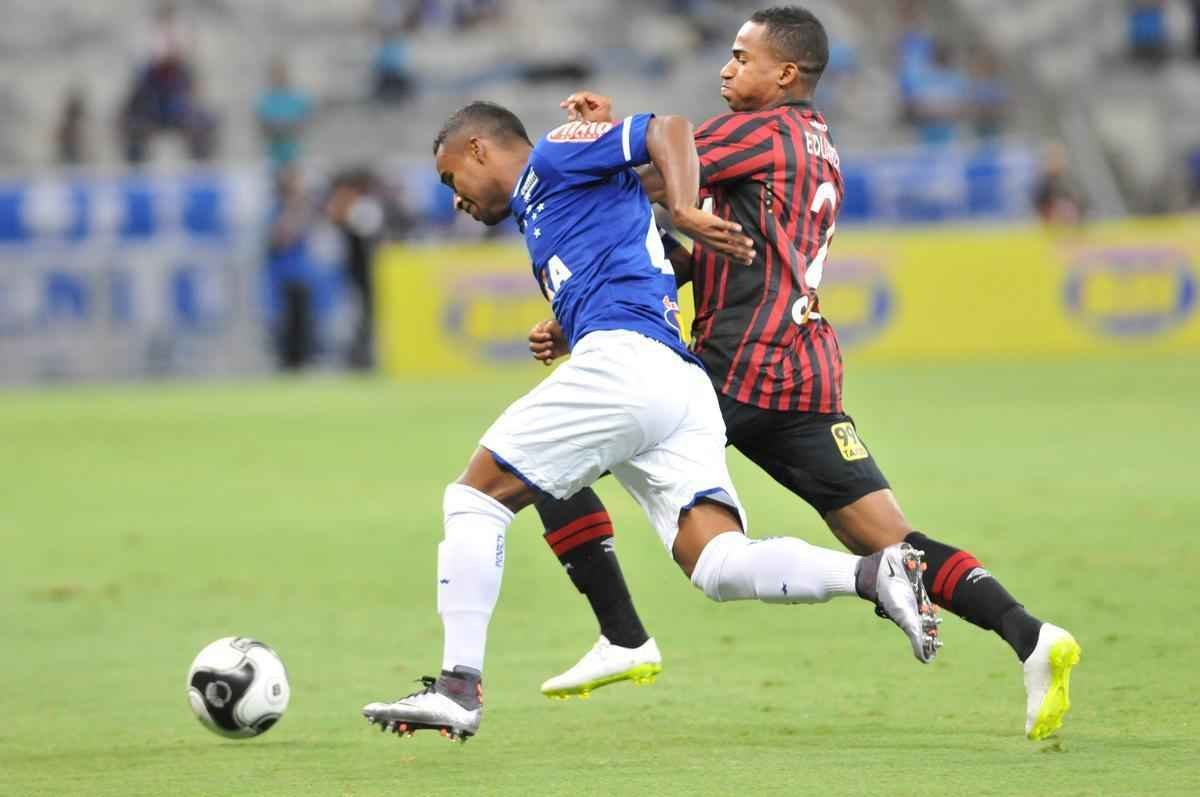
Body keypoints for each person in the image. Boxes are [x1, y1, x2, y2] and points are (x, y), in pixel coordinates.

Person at [529, 5, 1080, 742]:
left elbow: (654, 176)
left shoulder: (758, 131)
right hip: (804, 374)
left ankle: (621, 635)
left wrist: (599, 134)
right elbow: (711, 247)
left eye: (741, 57)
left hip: (734, 369)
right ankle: (1032, 636)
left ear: (785, 73)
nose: (727, 69)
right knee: (893, 541)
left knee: (543, 458)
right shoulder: (819, 146)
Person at [360, 100, 940, 741]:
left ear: (478, 149)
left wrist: (687, 209)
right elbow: (641, 239)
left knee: (474, 499)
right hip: (677, 386)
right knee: (717, 563)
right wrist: (568, 321)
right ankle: (870, 573)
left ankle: (458, 687)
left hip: (628, 365)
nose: (456, 200)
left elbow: (667, 130)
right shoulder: (546, 204)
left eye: (451, 180)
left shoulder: (552, 156)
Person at [325, 168, 385, 369]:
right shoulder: (350, 208)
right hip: (352, 275)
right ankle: (356, 359)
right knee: (354, 319)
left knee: (362, 319)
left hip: (362, 276)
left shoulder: (361, 208)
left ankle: (361, 359)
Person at [256, 58, 313, 171]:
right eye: (276, 74)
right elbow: (263, 123)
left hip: (295, 153)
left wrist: (286, 126)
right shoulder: (264, 99)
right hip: (272, 154)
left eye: (281, 73)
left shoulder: (298, 98)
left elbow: (304, 120)